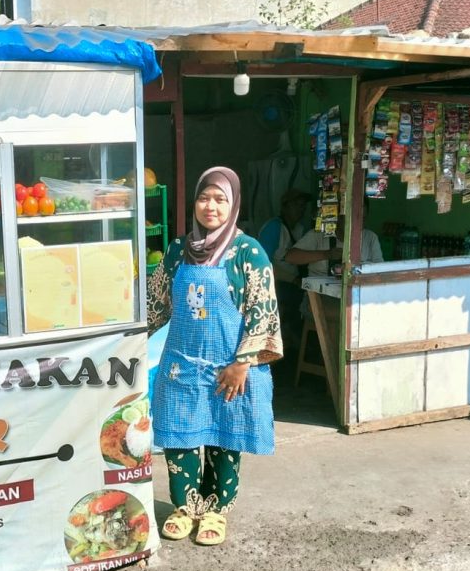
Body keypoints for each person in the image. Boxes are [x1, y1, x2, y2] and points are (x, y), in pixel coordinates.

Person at [148, 167, 281, 547]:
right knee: (179, 437)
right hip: (181, 365)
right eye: (204, 198)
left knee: (224, 438)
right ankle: (184, 507)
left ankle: (215, 510)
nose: (211, 206)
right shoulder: (178, 250)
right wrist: (123, 336)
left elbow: (263, 309)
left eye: (220, 199)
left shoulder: (247, 252)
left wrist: (243, 363)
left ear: (234, 203)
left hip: (229, 368)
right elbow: (156, 302)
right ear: (194, 203)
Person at [257, 189, 310, 353]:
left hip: (293, 281)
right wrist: (293, 280)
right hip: (276, 284)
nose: (300, 209)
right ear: (285, 207)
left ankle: (296, 343)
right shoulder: (274, 228)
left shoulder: (300, 228)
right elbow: (263, 266)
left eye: (302, 206)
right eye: (296, 205)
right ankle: (294, 343)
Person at [285, 212, 384, 276]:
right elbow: (291, 257)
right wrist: (326, 254)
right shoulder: (318, 234)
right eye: (353, 218)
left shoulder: (370, 237)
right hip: (319, 294)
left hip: (354, 294)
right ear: (339, 218)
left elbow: (380, 269)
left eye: (362, 218)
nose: (358, 223)